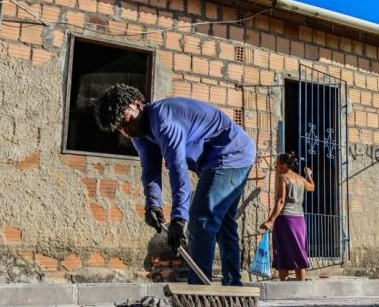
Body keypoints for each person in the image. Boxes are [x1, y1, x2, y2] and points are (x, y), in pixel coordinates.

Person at [95, 84, 256, 286]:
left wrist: (179, 218)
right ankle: (234, 289)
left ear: (138, 105)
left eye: (127, 122)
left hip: (232, 153)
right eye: (120, 128)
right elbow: (150, 171)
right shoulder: (140, 135)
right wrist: (152, 204)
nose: (127, 131)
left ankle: (200, 293)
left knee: (201, 219)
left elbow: (177, 167)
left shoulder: (163, 119)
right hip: (213, 161)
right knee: (224, 224)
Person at [260, 152, 315, 281]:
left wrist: (270, 221)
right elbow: (311, 187)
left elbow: (280, 201)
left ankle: (283, 283)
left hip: (285, 220)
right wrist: (308, 175)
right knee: (299, 251)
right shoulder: (301, 179)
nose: (275, 166)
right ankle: (301, 285)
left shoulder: (283, 178)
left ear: (284, 165)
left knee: (282, 250)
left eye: (276, 163)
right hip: (299, 220)